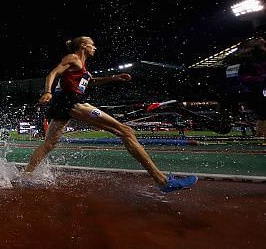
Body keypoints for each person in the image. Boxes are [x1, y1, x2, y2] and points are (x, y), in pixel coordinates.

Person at [24, 36, 198, 193]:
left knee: (49, 144)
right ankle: (162, 181)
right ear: (83, 46)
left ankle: (25, 176)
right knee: (126, 131)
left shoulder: (83, 68)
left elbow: (90, 82)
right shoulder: (73, 58)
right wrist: (48, 92)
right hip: (72, 102)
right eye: (92, 45)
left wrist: (114, 78)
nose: (95, 48)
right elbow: (53, 73)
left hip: (64, 104)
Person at [225, 35, 266, 140]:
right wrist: (243, 51)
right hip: (250, 85)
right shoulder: (248, 54)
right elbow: (228, 60)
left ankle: (260, 133)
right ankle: (260, 134)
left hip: (258, 83)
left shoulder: (260, 53)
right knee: (262, 110)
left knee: (262, 110)